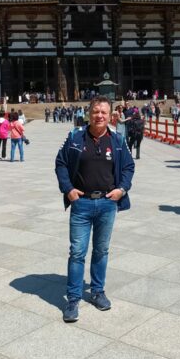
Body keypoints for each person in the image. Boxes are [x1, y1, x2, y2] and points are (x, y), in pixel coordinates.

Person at [55, 96, 135, 323]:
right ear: (89, 113)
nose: (99, 116)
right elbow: (60, 163)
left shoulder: (117, 140)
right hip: (82, 202)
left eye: (104, 112)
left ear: (111, 116)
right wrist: (68, 189)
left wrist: (122, 189)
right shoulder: (75, 137)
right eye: (96, 111)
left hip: (108, 203)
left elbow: (128, 166)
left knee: (101, 250)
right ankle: (73, 299)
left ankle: (98, 291)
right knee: (77, 252)